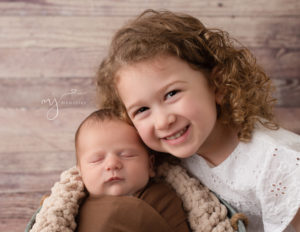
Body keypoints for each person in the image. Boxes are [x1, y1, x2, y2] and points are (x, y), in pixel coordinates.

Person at [97, 9, 300, 232]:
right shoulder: (165, 159)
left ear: (218, 84)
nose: (163, 122)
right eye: (142, 109)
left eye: (172, 94)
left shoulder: (277, 164)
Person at [75, 109, 191, 232]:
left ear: (150, 165)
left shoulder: (163, 198)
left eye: (127, 155)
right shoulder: (75, 210)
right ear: (80, 172)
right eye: (97, 160)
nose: (112, 164)